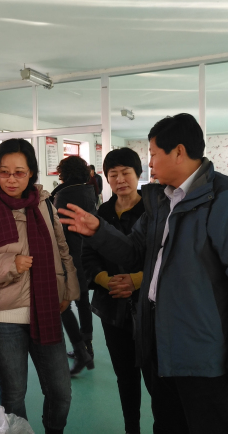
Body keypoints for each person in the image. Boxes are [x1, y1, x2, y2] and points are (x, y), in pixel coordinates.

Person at [58, 114, 228, 434]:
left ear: (179, 152)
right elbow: (135, 251)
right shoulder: (162, 200)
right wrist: (98, 230)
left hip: (204, 354)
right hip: (159, 345)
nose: (150, 163)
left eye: (153, 154)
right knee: (168, 424)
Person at [0, 138, 79, 434]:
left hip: (47, 309)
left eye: (19, 172)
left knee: (61, 393)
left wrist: (68, 291)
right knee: (14, 394)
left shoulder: (44, 205)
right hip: (3, 319)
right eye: (4, 172)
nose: (11, 179)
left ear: (31, 174)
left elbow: (62, 249)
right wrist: (9, 264)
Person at [81, 148, 145, 434]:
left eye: (125, 173)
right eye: (113, 174)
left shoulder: (154, 212)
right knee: (125, 375)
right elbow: (87, 256)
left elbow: (163, 257)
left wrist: (137, 280)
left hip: (150, 307)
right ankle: (132, 428)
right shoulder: (101, 214)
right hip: (113, 309)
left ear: (138, 174)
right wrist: (107, 281)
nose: (120, 180)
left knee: (157, 377)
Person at [50, 156, 96, 375]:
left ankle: (80, 352)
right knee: (83, 302)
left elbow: (56, 229)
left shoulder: (64, 194)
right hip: (85, 251)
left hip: (68, 254)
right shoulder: (89, 190)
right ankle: (87, 346)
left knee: (62, 303)